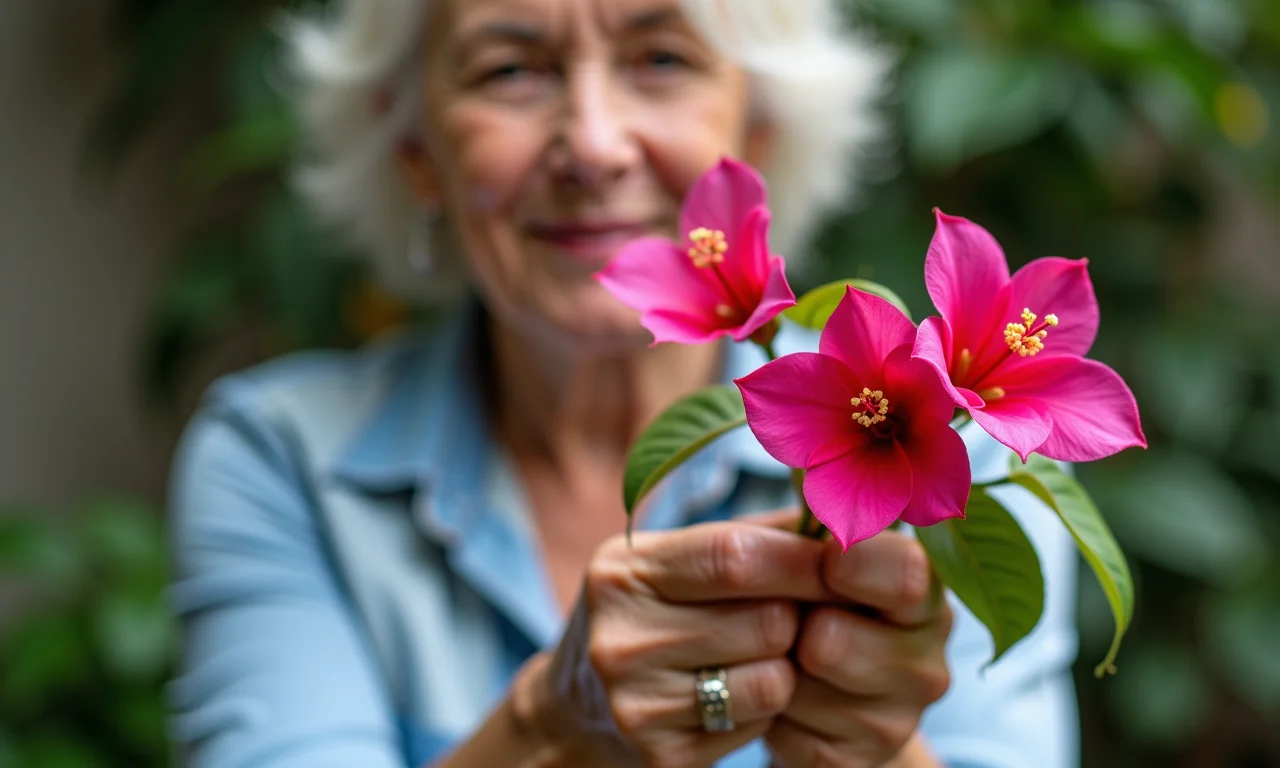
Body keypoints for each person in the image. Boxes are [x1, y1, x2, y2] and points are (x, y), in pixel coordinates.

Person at [166, 0, 1080, 766]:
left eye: (661, 57)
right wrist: (548, 732)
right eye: (509, 72)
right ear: (417, 155)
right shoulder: (282, 461)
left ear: (756, 132)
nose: (594, 147)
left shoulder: (980, 458)